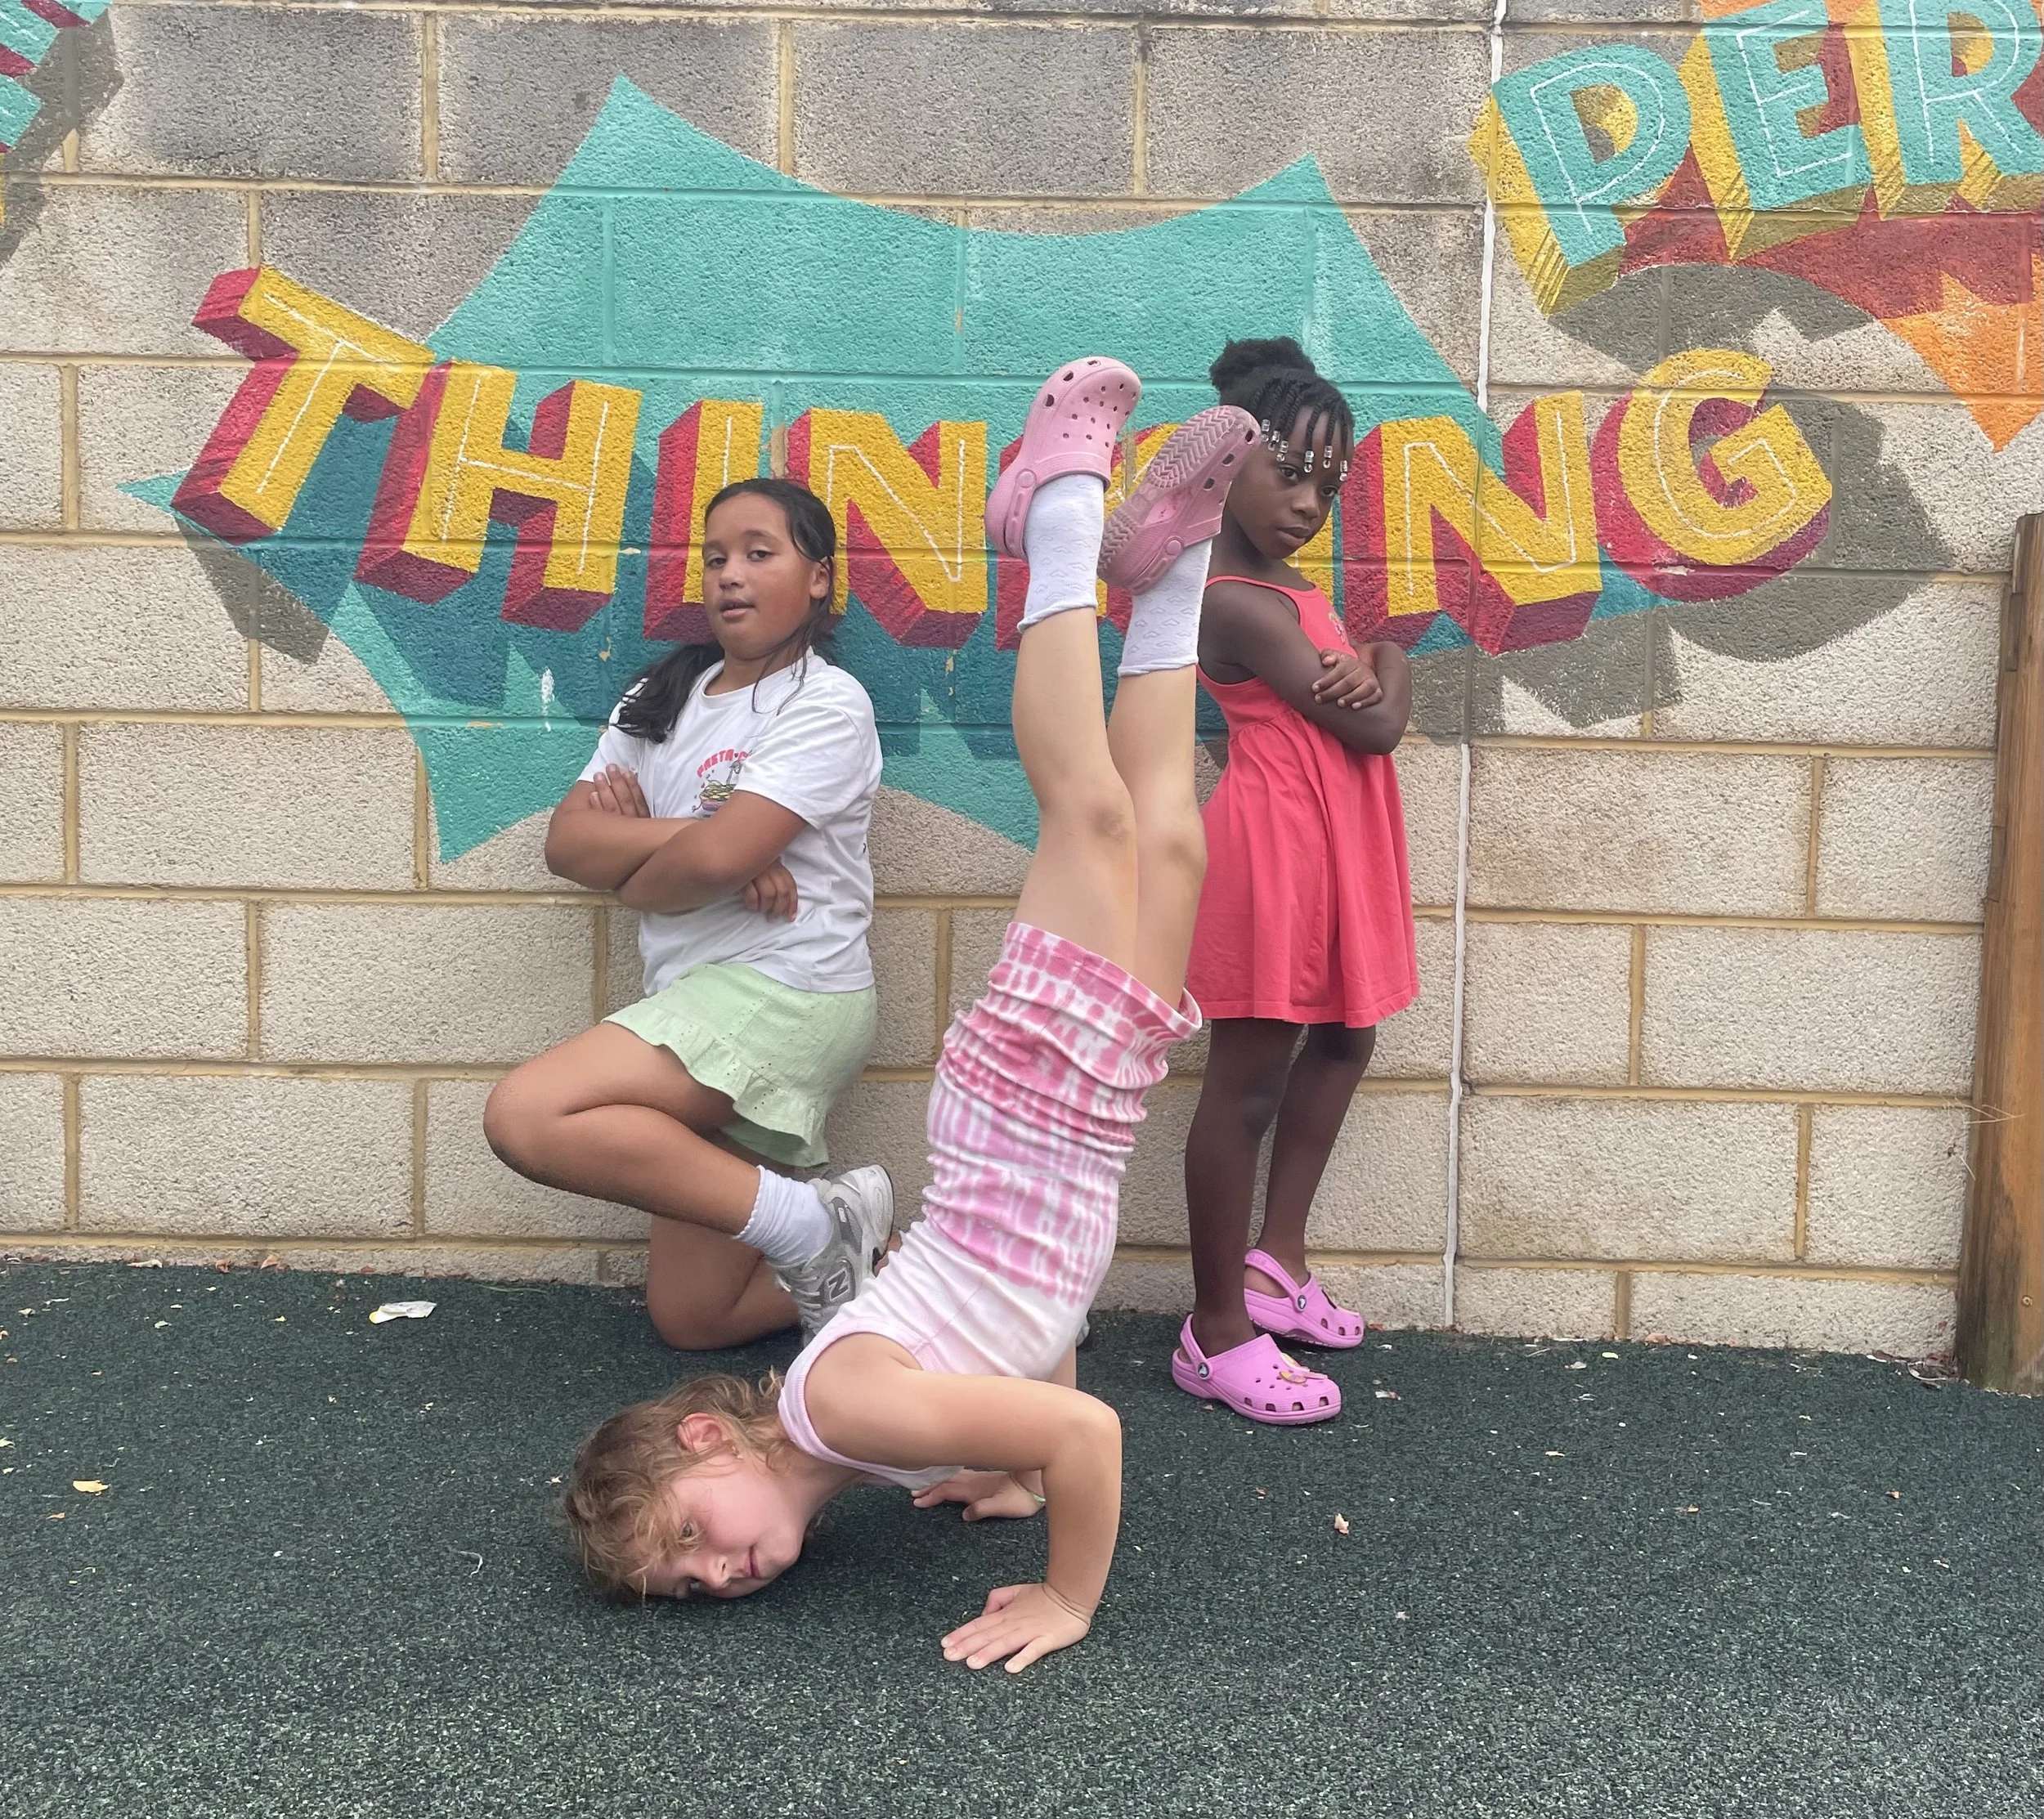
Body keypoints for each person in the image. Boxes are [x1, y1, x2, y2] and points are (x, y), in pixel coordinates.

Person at [561, 361, 1259, 1673]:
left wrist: (1066, 1589)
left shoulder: (848, 1407)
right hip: (1074, 1136)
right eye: (700, 1586)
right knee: (1168, 840)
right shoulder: (863, 1440)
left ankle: (1054, 508)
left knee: (1095, 814)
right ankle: (1170, 566)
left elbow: (1090, 1431)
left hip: (1025, 1118)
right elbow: (1026, 1337)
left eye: (692, 1537)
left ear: (706, 1441)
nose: (725, 1572)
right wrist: (1006, 1471)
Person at [483, 477, 892, 1351]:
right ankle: (951, 1271)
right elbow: (568, 844)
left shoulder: (826, 703)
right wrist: (705, 840)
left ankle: (810, 1227)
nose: (729, 576)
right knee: (696, 1316)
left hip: (787, 993)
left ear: (818, 577)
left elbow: (702, 864)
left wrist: (651, 863)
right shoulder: (660, 699)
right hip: (704, 1002)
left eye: (758, 553)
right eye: (714, 559)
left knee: (528, 1114)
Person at [1175, 336, 1419, 1426]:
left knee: (1347, 1039)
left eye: (1331, 481)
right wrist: (1388, 660)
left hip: (1334, 848)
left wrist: (1364, 659)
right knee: (1247, 1087)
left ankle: (1277, 1262)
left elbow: (1359, 706)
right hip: (1273, 854)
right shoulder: (1238, 601)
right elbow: (1379, 725)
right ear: (1231, 462)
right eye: (1291, 471)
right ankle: (1213, 1329)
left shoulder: (1291, 589)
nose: (1311, 500)